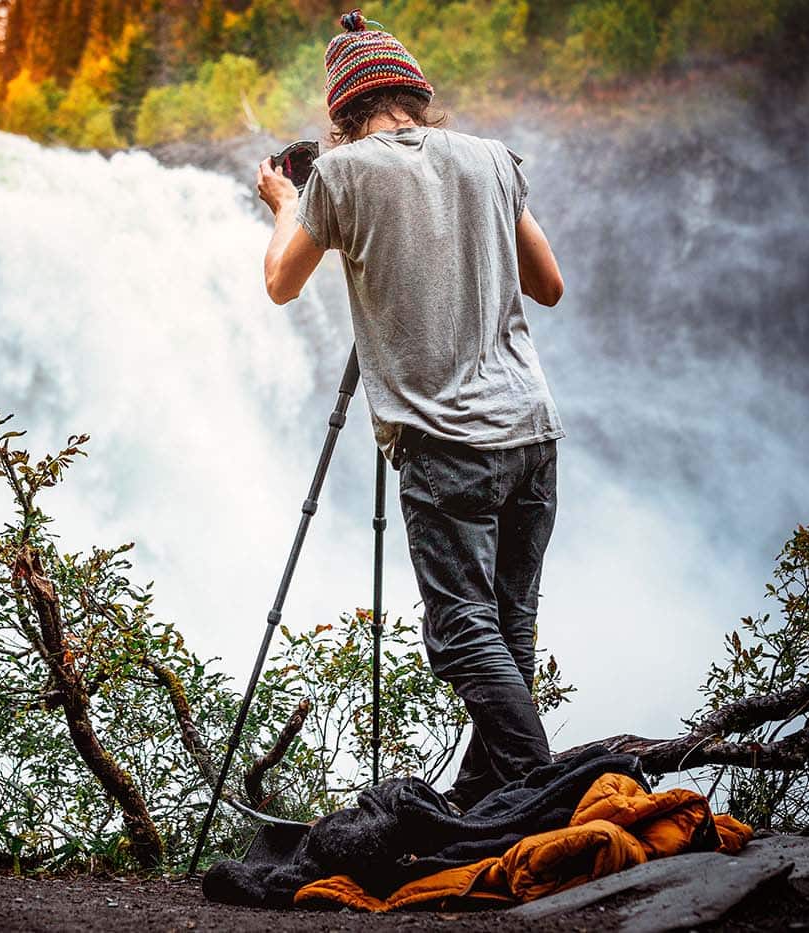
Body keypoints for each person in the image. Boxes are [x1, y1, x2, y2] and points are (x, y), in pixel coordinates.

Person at [254, 9, 567, 812]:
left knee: (464, 630)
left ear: (342, 114)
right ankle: (488, 801)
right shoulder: (493, 159)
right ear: (416, 96)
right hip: (531, 431)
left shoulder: (343, 176)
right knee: (509, 627)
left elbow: (281, 282)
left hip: (445, 444)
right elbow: (549, 284)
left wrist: (287, 202)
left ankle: (545, 795)